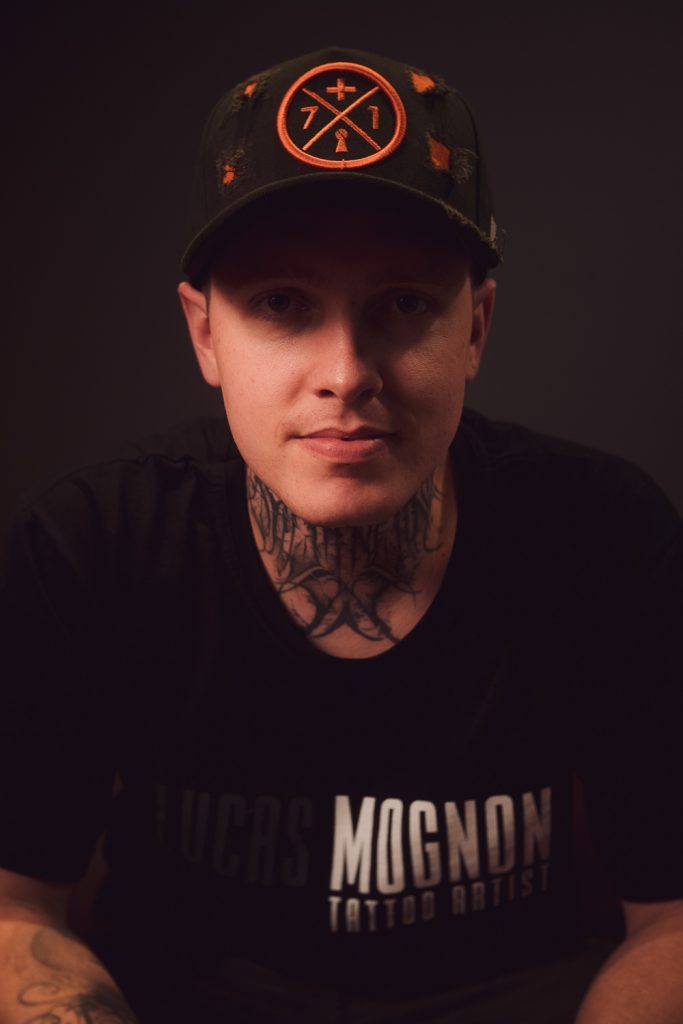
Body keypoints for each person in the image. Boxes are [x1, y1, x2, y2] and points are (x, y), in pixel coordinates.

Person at [0, 45, 681, 1024]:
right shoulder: (92, 543)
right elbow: (17, 904)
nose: (345, 373)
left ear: (476, 327)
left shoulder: (605, 536)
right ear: (205, 333)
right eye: (282, 304)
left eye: (403, 304)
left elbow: (669, 916)